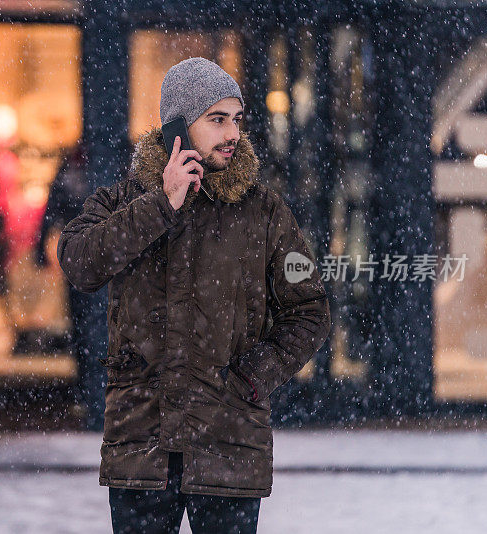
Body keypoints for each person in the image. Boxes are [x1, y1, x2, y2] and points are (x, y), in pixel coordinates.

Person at [56, 57, 332, 533]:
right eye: (217, 119)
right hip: (142, 444)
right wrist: (161, 204)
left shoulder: (263, 210)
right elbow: (80, 262)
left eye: (237, 119)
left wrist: (252, 378)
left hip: (228, 445)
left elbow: (309, 310)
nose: (232, 133)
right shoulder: (125, 201)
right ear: (179, 126)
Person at [36, 141, 107, 430]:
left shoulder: (74, 171)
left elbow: (52, 211)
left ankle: (91, 391)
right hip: (87, 258)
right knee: (86, 326)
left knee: (88, 327)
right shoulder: (87, 168)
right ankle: (91, 391)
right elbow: (52, 211)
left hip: (86, 257)